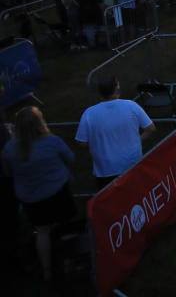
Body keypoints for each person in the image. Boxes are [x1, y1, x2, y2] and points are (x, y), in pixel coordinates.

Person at [2, 106, 76, 281]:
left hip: (32, 200)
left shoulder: (9, 149)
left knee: (42, 232)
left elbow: (8, 172)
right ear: (39, 123)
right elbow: (71, 159)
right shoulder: (52, 141)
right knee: (66, 226)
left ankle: (47, 270)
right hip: (58, 193)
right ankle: (69, 261)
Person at [76, 78, 156, 188]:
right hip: (133, 164)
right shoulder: (131, 106)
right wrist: (137, 141)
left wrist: (99, 144)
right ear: (117, 90)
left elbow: (82, 143)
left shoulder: (89, 113)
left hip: (105, 170)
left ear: (100, 93)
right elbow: (150, 128)